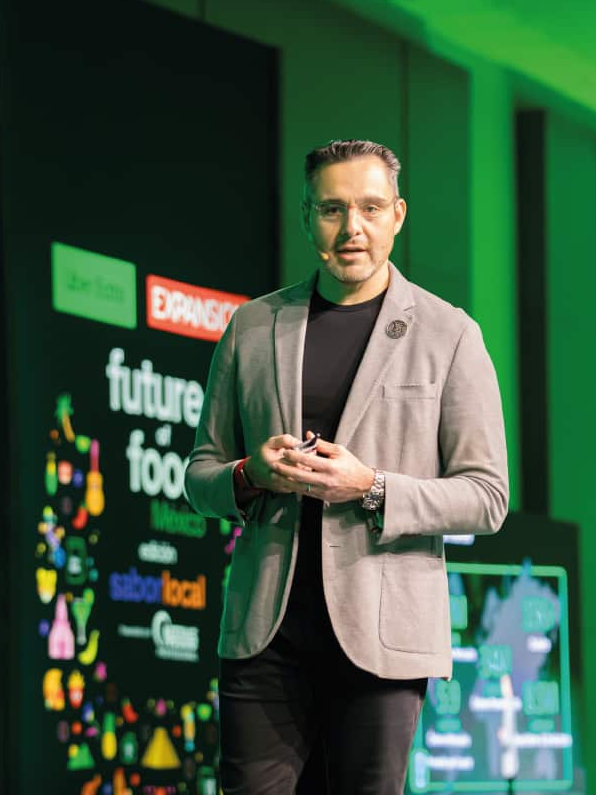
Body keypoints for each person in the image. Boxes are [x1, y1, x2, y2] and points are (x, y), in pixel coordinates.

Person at [185, 139, 509, 794]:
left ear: (398, 215)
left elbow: (486, 497)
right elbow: (200, 475)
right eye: (332, 209)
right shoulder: (252, 327)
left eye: (370, 207)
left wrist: (372, 487)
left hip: (383, 637)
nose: (351, 227)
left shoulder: (450, 334)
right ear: (307, 217)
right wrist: (251, 474)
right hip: (266, 633)